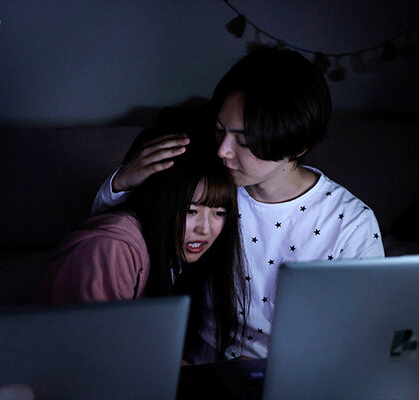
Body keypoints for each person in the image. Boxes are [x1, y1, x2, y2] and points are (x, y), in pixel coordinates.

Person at [92, 46, 385, 362]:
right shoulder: (211, 181)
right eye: (220, 130)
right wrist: (122, 182)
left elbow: (361, 340)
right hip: (197, 365)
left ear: (297, 146)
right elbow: (109, 240)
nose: (224, 150)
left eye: (243, 141)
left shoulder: (350, 223)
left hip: (288, 374)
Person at [33, 136, 248, 362]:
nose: (204, 229)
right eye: (190, 211)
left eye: (219, 213)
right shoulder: (114, 247)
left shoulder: (179, 253)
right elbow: (102, 353)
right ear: (162, 203)